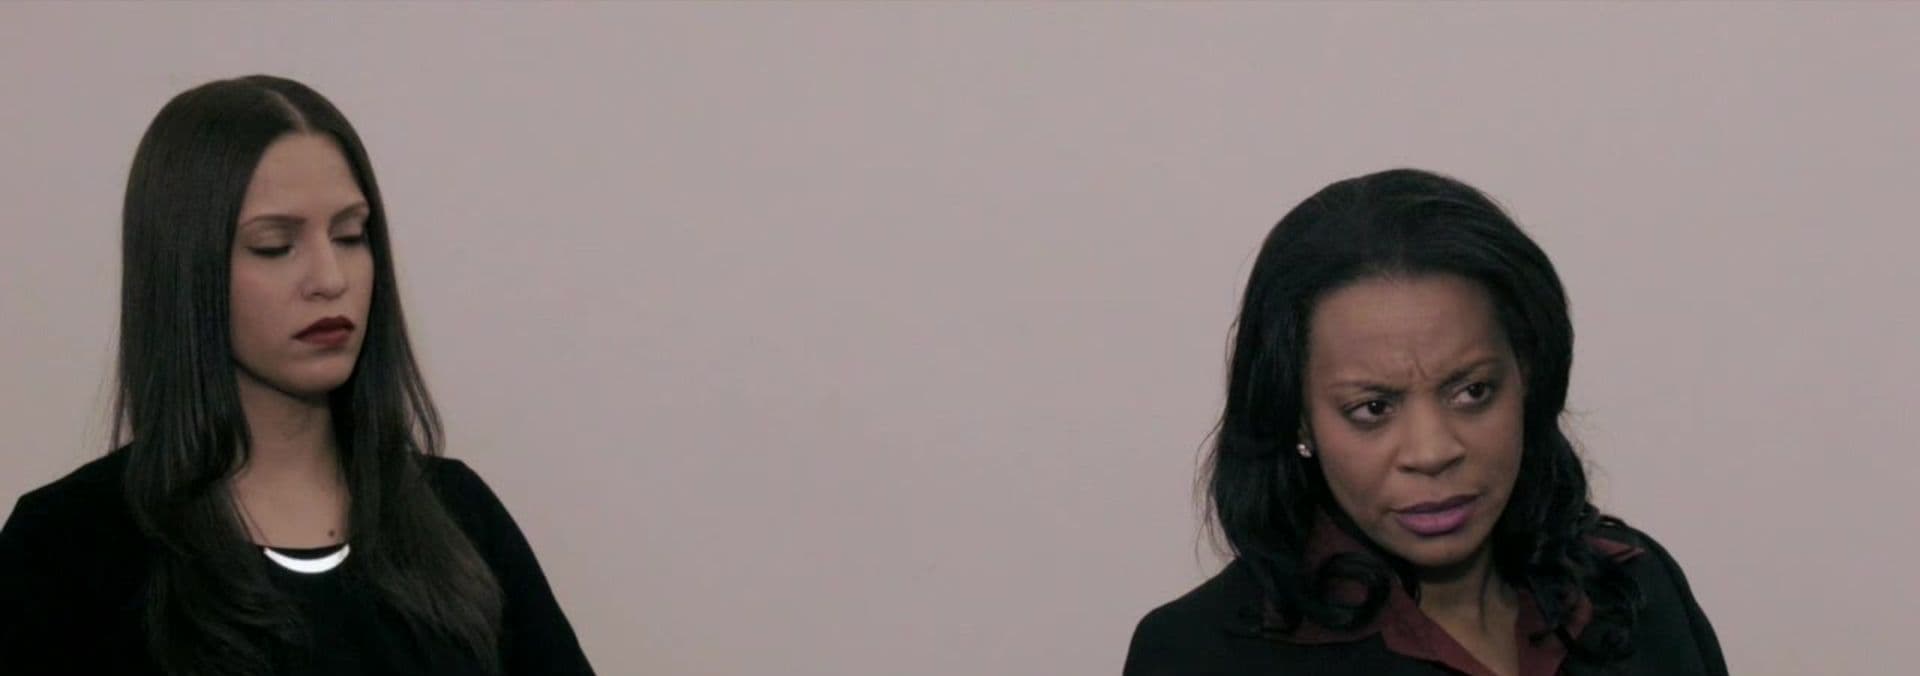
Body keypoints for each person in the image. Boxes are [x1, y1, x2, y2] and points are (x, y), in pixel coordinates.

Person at [0, 75, 593, 676]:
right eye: (275, 245)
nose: (330, 278)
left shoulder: (458, 516)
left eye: (350, 235)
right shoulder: (68, 546)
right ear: (186, 270)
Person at [1123, 169, 1727, 676]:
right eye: (1373, 409)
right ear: (1299, 419)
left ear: (1527, 378)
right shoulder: (1198, 656)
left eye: (1472, 392)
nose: (1432, 451)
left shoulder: (1636, 587)